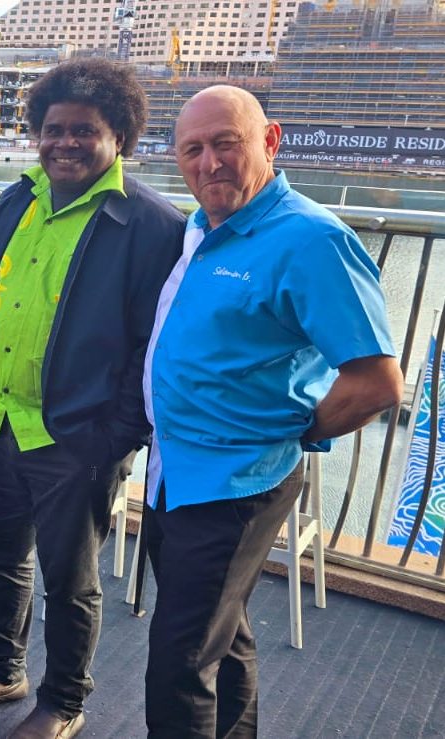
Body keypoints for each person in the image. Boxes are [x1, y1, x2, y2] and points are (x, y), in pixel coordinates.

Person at [0, 58, 185, 738]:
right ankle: (2, 669)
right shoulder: (18, 197)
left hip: (74, 440)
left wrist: (112, 438)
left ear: (120, 137)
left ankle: (64, 701)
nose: (64, 144)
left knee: (69, 581)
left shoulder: (151, 225)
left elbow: (150, 349)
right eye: (53, 130)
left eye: (85, 131)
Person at [144, 85, 401, 739]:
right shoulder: (203, 226)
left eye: (225, 143)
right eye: (192, 150)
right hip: (175, 469)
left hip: (236, 482)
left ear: (270, 140)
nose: (208, 163)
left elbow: (375, 383)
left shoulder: (312, 239)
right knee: (220, 636)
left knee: (179, 662)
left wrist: (296, 429)